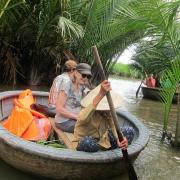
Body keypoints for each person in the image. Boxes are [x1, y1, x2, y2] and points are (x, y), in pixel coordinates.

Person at [72, 80, 131, 152]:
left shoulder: (108, 112)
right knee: (88, 142)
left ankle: (116, 152)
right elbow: (82, 118)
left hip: (102, 142)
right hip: (84, 143)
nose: (108, 109)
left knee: (129, 131)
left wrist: (119, 138)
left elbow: (114, 126)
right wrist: (101, 94)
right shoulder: (88, 110)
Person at [55, 63, 92, 133]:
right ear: (75, 72)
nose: (85, 78)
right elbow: (59, 108)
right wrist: (76, 117)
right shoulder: (67, 85)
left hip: (75, 119)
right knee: (89, 128)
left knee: (95, 124)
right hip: (63, 121)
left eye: (88, 76)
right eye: (83, 75)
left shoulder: (82, 87)